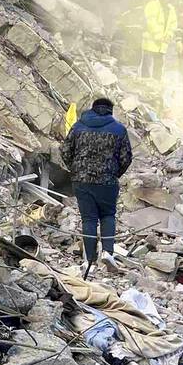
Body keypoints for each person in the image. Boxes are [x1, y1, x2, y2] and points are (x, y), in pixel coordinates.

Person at [62, 96, 134, 273]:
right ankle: (107, 253)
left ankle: (89, 260)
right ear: (110, 110)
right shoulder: (118, 129)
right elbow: (126, 157)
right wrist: (115, 173)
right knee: (108, 215)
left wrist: (75, 169)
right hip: (107, 181)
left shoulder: (78, 126)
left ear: (93, 109)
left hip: (81, 181)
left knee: (89, 218)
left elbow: (64, 150)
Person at [140, 0, 177, 81]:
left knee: (159, 66)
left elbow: (173, 24)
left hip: (162, 44)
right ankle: (145, 84)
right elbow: (151, 22)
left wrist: (169, 35)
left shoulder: (171, 9)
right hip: (150, 42)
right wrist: (159, 35)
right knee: (147, 66)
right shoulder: (152, 5)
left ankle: (156, 84)